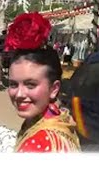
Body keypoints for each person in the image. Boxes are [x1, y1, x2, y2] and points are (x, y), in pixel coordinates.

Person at [4, 12, 81, 153]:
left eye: (30, 85)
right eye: (13, 84)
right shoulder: (58, 119)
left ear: (54, 89)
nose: (19, 94)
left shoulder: (40, 143)